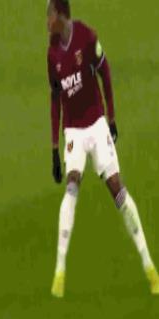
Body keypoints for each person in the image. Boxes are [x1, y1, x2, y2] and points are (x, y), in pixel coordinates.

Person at [46, 0, 159, 297]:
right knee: (72, 184)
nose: (46, 21)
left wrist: (111, 118)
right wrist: (55, 149)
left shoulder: (87, 37)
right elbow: (55, 100)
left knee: (117, 189)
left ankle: (149, 265)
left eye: (49, 14)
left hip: (96, 124)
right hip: (73, 131)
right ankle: (60, 270)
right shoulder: (52, 53)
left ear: (61, 15)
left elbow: (104, 73)